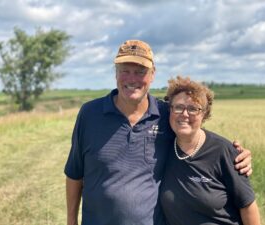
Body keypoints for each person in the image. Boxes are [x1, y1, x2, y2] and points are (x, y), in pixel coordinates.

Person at [64, 40, 253, 225]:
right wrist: (71, 221)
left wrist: (234, 154)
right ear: (116, 74)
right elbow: (75, 173)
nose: (132, 79)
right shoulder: (90, 114)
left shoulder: (167, 114)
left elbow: (196, 135)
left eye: (140, 72)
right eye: (125, 71)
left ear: (153, 74)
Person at [160, 76, 261, 225]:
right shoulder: (162, 146)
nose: (185, 114)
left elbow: (247, 205)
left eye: (193, 109)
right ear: (170, 110)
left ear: (204, 114)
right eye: (179, 107)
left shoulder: (223, 151)